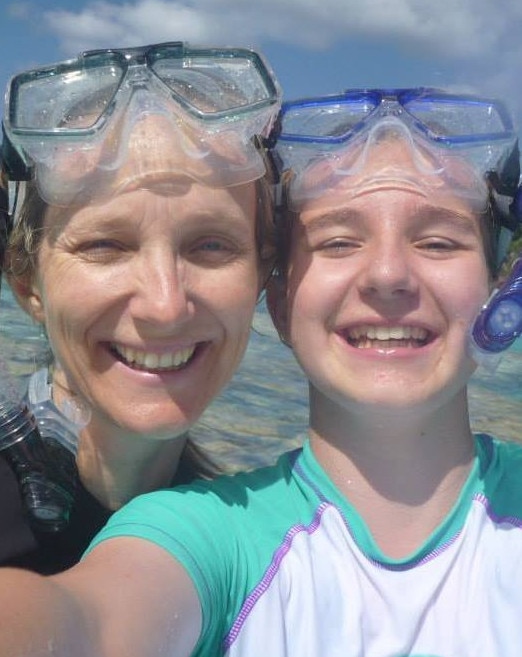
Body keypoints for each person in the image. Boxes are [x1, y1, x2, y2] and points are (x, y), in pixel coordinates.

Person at [1, 87, 522, 657]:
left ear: (501, 287)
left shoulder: (195, 496)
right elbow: (84, 624)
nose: (389, 275)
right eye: (339, 241)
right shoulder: (205, 533)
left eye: (439, 242)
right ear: (279, 297)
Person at [0, 41, 281, 573]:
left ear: (261, 276)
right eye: (105, 245)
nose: (166, 305)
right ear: (27, 283)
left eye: (211, 245)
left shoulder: (244, 535)